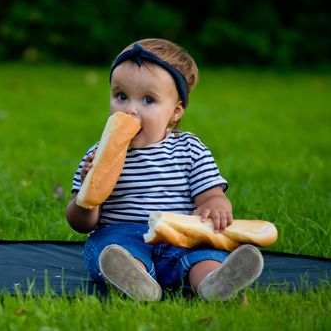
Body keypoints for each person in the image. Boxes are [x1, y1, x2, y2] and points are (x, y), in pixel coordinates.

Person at [66, 38, 264, 301]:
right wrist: (88, 198)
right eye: (120, 96)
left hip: (180, 236)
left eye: (148, 100)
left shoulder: (190, 149)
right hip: (122, 236)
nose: (130, 109)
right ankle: (136, 281)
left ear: (175, 111)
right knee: (112, 251)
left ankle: (213, 282)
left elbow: (210, 194)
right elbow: (80, 223)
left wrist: (216, 204)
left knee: (202, 255)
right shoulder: (98, 155)